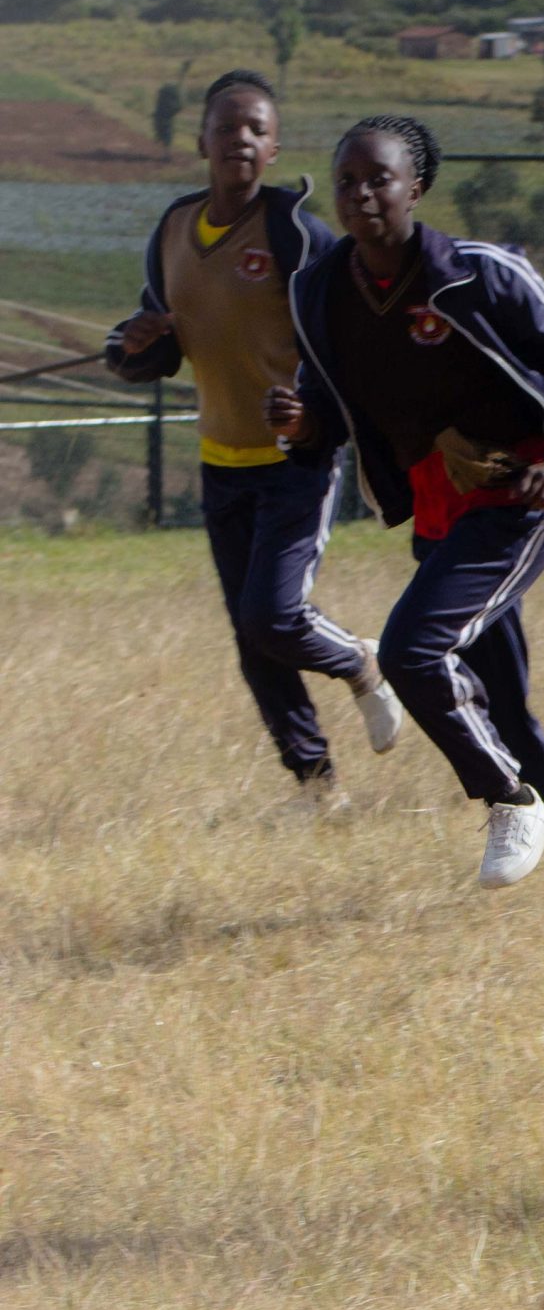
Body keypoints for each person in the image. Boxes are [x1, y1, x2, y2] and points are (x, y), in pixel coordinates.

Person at [266, 115, 544, 902]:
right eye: (347, 181)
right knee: (494, 699)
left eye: (381, 178)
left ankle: (512, 801)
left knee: (412, 652)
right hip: (442, 508)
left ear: (417, 186)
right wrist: (302, 425)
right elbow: (330, 410)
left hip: (519, 494)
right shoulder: (320, 293)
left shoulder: (478, 271)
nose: (363, 194)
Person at [104, 70, 403, 802]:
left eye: (256, 129)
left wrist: (313, 415)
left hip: (295, 461)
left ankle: (362, 662)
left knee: (272, 615)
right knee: (252, 639)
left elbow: (350, 337)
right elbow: (155, 347)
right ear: (201, 139)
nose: (239, 137)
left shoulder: (296, 233)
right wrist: (133, 343)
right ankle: (314, 782)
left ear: (272, 149)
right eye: (226, 125)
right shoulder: (173, 230)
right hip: (220, 463)